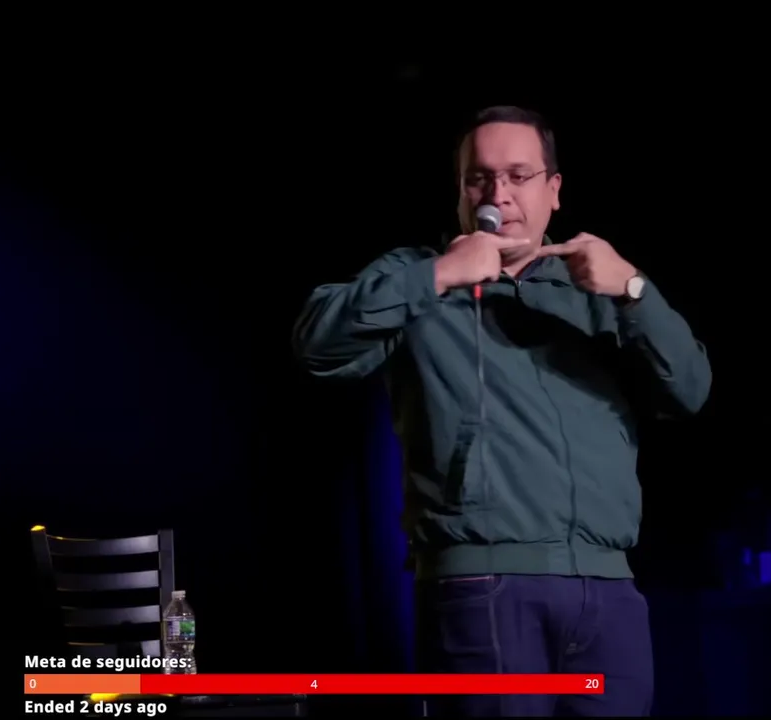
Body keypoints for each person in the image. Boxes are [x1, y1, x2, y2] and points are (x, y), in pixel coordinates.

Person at [292, 105, 712, 717]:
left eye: (518, 176)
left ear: (554, 190)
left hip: (608, 591)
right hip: (481, 583)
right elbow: (317, 346)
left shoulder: (598, 289)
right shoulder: (418, 276)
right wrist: (439, 274)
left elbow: (689, 390)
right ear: (460, 191)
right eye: (479, 178)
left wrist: (633, 290)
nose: (499, 194)